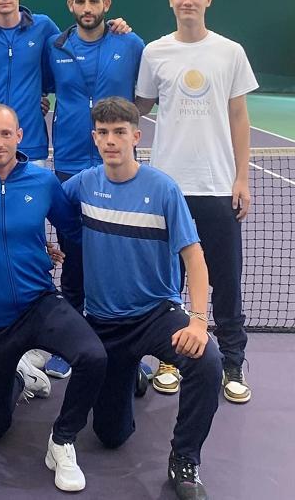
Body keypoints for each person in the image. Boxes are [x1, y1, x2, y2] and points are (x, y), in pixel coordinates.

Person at [63, 97, 222, 500]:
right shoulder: (84, 184)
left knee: (208, 362)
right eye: (103, 133)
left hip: (156, 315)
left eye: (119, 132)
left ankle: (184, 459)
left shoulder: (163, 189)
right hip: (103, 323)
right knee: (110, 436)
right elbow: (36, 201)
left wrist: (198, 321)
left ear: (136, 136)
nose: (110, 140)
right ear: (94, 138)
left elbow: (195, 259)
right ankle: (132, 372)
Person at [0, 103, 107, 492]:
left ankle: (62, 440)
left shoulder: (43, 182)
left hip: (40, 303)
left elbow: (72, 230)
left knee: (93, 356)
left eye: (6, 134)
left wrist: (42, 248)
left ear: (20, 136)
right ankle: (23, 376)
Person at [135, 0, 257, 403]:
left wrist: (241, 177)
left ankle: (232, 363)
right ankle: (171, 359)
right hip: (168, 189)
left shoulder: (230, 52)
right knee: (170, 282)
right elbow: (138, 106)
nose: (187, 1)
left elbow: (239, 117)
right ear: (171, 0)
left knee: (227, 280)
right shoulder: (154, 52)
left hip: (218, 187)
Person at [41, 0, 145, 380]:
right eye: (80, 1)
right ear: (71, 5)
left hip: (118, 164)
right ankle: (70, 344)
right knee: (74, 254)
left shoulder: (130, 43)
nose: (87, 8)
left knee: (119, 252)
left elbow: (145, 97)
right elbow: (40, 89)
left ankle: (126, 345)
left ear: (107, 4)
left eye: (94, 1)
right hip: (69, 162)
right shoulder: (55, 46)